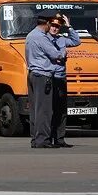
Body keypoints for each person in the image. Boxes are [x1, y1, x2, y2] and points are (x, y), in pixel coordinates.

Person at [25, 14, 67, 149]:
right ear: (47, 23)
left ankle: (35, 139)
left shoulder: (31, 35)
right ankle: (42, 140)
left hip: (33, 73)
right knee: (44, 110)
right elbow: (55, 54)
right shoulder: (41, 37)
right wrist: (63, 54)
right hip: (43, 75)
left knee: (35, 109)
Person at [47, 14, 82, 148]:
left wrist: (69, 26)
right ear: (49, 25)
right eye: (53, 26)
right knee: (49, 110)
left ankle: (60, 138)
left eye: (57, 26)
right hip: (50, 77)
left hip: (61, 77)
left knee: (61, 110)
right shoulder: (44, 40)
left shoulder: (62, 40)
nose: (55, 29)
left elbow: (77, 41)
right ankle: (48, 138)